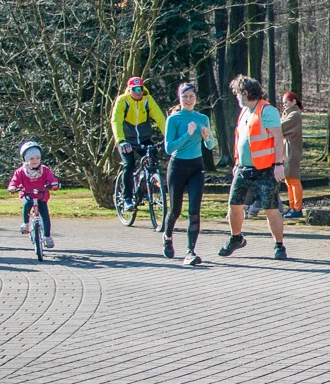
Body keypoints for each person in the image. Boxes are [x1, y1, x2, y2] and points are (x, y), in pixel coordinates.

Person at [219, 76, 288, 260]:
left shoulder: (267, 110)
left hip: (265, 169)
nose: (237, 98)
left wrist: (279, 164)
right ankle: (236, 238)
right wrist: (236, 163)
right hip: (243, 168)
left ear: (246, 92)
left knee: (270, 208)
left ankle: (279, 246)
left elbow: (278, 138)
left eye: (237, 94)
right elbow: (240, 141)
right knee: (234, 204)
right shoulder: (245, 112)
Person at [162, 83, 217, 266]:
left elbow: (210, 146)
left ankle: (190, 251)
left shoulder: (202, 118)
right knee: (175, 210)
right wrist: (187, 134)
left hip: (196, 167)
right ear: (179, 98)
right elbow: (169, 148)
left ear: (196, 98)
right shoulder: (174, 119)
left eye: (191, 96)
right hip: (177, 167)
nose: (188, 100)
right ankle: (168, 237)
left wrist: (207, 136)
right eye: (184, 96)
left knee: (194, 211)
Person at [111, 76, 166, 211]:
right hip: (126, 140)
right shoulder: (123, 101)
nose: (138, 92)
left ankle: (147, 186)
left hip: (143, 138)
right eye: (135, 89)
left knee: (152, 161)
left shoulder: (147, 99)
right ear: (129, 90)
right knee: (129, 165)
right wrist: (121, 141)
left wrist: (168, 136)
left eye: (140, 88)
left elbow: (160, 118)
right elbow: (116, 121)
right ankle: (127, 199)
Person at [8, 141, 61, 248]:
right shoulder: (21, 172)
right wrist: (12, 187)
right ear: (26, 160)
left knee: (45, 216)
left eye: (37, 158)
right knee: (27, 204)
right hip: (28, 194)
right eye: (31, 159)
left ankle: (47, 237)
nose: (35, 161)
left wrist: (54, 184)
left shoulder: (44, 170)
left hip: (41, 195)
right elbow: (14, 181)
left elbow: (51, 179)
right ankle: (25, 224)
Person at [280, 92, 305, 219]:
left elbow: (281, 127)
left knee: (294, 179)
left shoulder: (294, 114)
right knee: (288, 180)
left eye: (286, 102)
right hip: (287, 150)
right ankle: (292, 207)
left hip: (292, 151)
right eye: (283, 102)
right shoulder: (288, 113)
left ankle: (297, 208)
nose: (284, 105)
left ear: (294, 102)